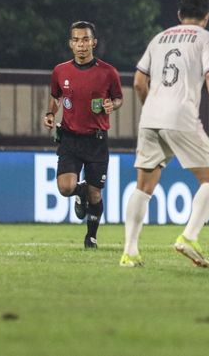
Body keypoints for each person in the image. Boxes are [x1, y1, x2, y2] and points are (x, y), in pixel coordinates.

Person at [120, 0, 209, 268]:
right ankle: (189, 237)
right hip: (181, 116)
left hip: (150, 118)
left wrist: (151, 107)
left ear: (179, 13)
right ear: (206, 15)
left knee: (143, 187)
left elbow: (137, 81)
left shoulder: (159, 39)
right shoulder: (207, 39)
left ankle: (129, 252)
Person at [44, 20, 123, 249]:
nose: (81, 44)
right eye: (77, 40)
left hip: (96, 140)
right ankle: (80, 193)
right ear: (71, 44)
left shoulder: (108, 72)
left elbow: (118, 98)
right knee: (65, 187)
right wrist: (50, 113)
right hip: (70, 138)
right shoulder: (60, 70)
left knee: (96, 195)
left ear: (94, 43)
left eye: (86, 39)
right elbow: (56, 96)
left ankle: (91, 237)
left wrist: (112, 105)